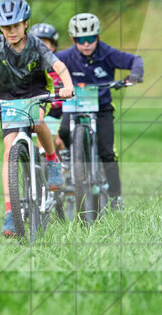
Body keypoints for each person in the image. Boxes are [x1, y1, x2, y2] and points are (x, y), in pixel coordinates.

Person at [0, 0, 75, 237]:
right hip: (7, 99)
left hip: (35, 93)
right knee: (8, 149)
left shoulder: (36, 45)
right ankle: (10, 212)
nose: (10, 31)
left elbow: (59, 66)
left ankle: (53, 161)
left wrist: (67, 85)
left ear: (26, 23)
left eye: (15, 26)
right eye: (5, 27)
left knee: (38, 121)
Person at [55, 12, 143, 211]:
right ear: (73, 40)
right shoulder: (65, 57)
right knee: (63, 132)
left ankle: (115, 197)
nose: (86, 44)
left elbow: (134, 60)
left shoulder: (107, 53)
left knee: (107, 152)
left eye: (90, 39)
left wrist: (135, 75)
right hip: (75, 107)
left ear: (98, 37)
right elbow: (47, 66)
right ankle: (73, 158)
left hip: (101, 108)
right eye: (80, 40)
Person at [31, 22, 66, 152]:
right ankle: (45, 159)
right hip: (44, 109)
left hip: (62, 110)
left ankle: (63, 163)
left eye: (44, 43)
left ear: (53, 45)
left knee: (59, 140)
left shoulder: (60, 64)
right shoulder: (30, 66)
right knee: (41, 137)